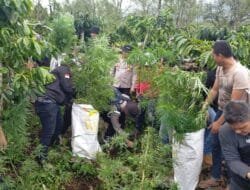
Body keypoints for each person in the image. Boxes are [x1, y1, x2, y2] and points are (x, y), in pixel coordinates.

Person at [199, 40, 249, 188]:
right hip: (222, 110)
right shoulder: (220, 69)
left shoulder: (239, 73)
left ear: (220, 55)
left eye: (214, 55)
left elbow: (233, 106)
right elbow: (214, 90)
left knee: (233, 146)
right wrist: (204, 106)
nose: (213, 58)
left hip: (238, 116)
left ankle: (232, 178)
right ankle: (216, 176)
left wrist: (218, 123)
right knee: (216, 144)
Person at [34, 57, 74, 163]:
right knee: (49, 131)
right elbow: (67, 87)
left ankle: (47, 148)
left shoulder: (58, 71)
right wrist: (74, 92)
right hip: (47, 102)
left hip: (51, 103)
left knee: (58, 127)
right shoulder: (63, 69)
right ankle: (40, 157)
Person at [219, 101, 250, 190]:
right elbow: (232, 159)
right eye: (234, 128)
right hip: (240, 177)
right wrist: (247, 173)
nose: (238, 132)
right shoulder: (225, 131)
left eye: (243, 127)